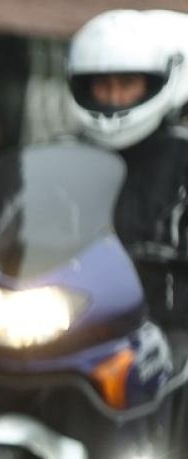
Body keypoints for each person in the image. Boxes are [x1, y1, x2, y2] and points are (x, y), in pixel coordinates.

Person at [66, 9, 188, 329]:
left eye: (127, 82)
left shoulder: (182, 156)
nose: (114, 96)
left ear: (152, 83)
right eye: (102, 85)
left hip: (166, 324)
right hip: (71, 319)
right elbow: (16, 222)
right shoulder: (65, 155)